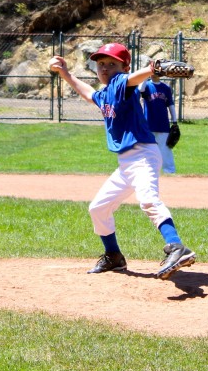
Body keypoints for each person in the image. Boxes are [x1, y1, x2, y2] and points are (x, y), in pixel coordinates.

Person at [49, 42, 197, 279]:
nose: (105, 68)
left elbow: (131, 79)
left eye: (111, 64)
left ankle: (177, 247)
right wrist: (66, 74)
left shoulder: (120, 82)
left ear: (124, 66)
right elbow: (89, 94)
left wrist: (153, 70)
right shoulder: (106, 93)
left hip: (143, 155)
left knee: (148, 200)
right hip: (127, 162)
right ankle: (114, 257)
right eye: (101, 64)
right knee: (98, 208)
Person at [140, 75, 178, 174]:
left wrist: (175, 121)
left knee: (165, 149)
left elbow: (170, 105)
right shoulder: (147, 86)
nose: (154, 73)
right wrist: (147, 74)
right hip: (149, 124)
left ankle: (169, 171)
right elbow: (140, 89)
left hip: (163, 124)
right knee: (147, 149)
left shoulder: (166, 88)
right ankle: (148, 170)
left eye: (157, 71)